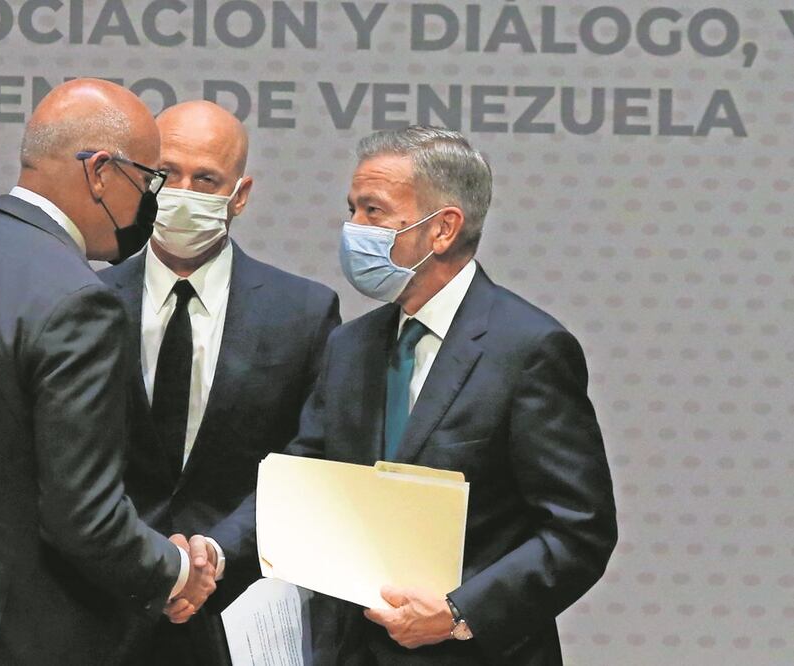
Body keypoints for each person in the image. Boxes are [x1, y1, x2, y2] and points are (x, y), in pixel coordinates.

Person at [213, 126, 617, 665]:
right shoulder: (350, 346)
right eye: (352, 209)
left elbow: (578, 532)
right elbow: (302, 480)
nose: (353, 229)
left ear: (443, 229)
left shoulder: (529, 349)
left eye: (373, 211)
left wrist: (459, 613)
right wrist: (211, 552)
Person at [0, 79, 217, 665]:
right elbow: (83, 517)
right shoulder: (78, 299)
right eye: (149, 181)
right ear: (101, 171)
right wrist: (176, 571)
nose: (151, 205)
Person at [99, 100, 340, 664]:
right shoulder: (84, 303)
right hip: (103, 608)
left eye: (206, 178)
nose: (183, 191)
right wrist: (146, 563)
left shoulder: (302, 313)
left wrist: (212, 554)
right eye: (168, 173)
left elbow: (308, 460)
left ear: (241, 193)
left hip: (237, 613)